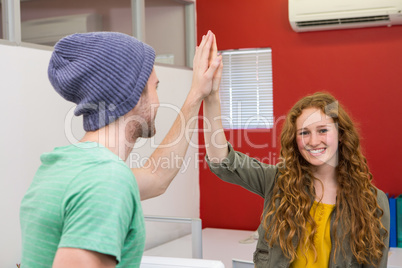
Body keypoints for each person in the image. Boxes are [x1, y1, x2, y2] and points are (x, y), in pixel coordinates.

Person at [20, 31, 221, 268]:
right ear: (135, 96)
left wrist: (197, 94)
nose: (157, 100)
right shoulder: (107, 180)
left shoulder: (62, 166)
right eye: (155, 87)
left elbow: (157, 176)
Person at [203, 38, 390, 268]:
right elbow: (222, 161)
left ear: (341, 134)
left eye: (322, 130)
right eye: (304, 133)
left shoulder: (373, 201)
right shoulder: (278, 181)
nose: (313, 141)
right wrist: (211, 98)